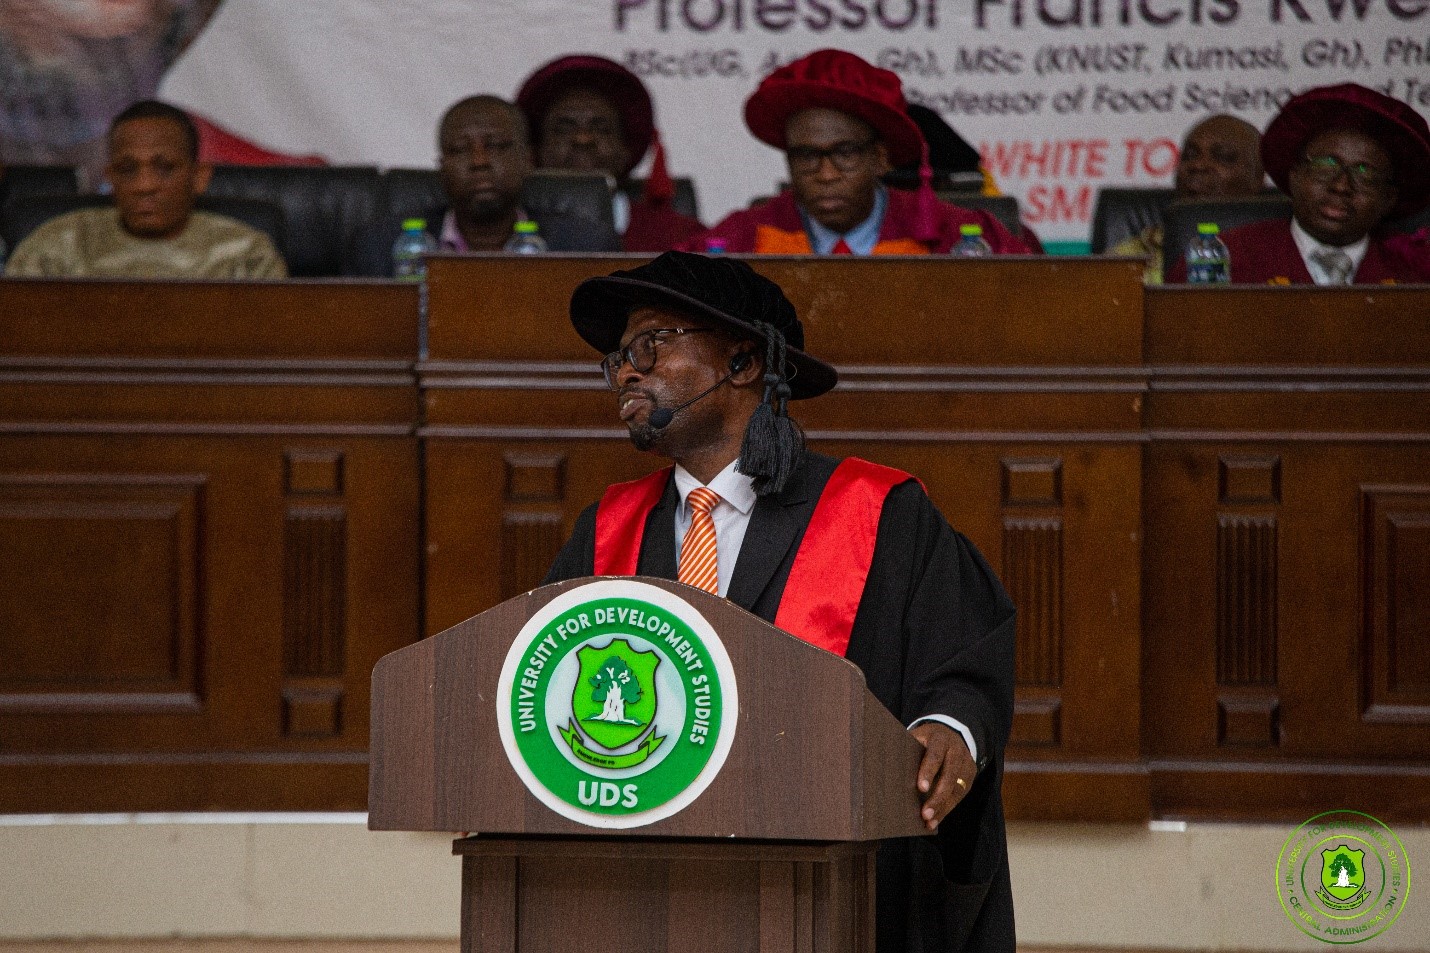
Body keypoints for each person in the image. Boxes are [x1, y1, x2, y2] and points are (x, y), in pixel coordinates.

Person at [544, 251, 1016, 953]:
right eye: (616, 358)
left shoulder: (877, 514)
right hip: (648, 895)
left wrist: (951, 726)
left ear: (742, 361)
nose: (626, 372)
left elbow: (963, 654)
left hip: (830, 896)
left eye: (649, 344)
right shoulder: (606, 530)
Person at [681, 49, 1028, 256]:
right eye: (805, 156)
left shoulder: (963, 234)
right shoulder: (743, 238)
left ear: (881, 158)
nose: (826, 174)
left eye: (845, 153)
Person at [1169, 84, 1430, 285]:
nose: (1341, 186)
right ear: (1294, 176)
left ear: (1389, 197)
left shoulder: (1416, 269)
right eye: (1325, 165)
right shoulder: (1223, 259)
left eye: (1364, 172)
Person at [4, 99, 286, 279]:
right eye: (127, 170)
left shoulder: (245, 254)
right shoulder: (55, 247)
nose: (145, 185)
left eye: (164, 168)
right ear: (111, 178)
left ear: (198, 177)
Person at [351, 95, 619, 275]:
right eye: (460, 149)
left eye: (497, 146)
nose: (479, 162)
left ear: (527, 160)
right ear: (442, 168)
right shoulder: (381, 247)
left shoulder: (585, 247)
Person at [516, 54, 704, 253]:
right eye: (564, 129)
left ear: (625, 150)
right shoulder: (504, 230)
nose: (583, 139)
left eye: (601, 129)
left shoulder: (682, 237)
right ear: (537, 149)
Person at [1111, 114, 1264, 284]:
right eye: (1190, 155)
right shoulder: (1129, 259)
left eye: (1221, 157)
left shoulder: (1278, 254)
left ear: (1257, 177)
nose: (1198, 165)